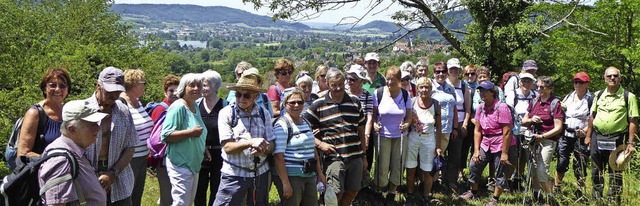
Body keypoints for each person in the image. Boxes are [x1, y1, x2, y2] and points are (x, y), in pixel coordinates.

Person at [303, 69, 367, 206]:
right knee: (335, 193)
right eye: (334, 85)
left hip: (355, 155)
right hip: (334, 157)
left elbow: (361, 130)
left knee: (353, 190)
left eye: (341, 84)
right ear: (327, 84)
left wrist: (364, 156)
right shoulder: (319, 104)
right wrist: (319, 144)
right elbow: (301, 128)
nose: (338, 88)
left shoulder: (355, 101)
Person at [214, 73, 275, 206]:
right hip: (234, 175)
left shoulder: (264, 114)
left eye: (246, 95)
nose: (241, 98)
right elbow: (227, 147)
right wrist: (250, 142)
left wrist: (264, 149)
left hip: (260, 175)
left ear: (256, 96)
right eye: (238, 94)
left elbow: (272, 144)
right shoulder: (226, 113)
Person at [38, 100, 108, 206]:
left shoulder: (75, 151)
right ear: (72, 129)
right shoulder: (60, 161)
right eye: (91, 124)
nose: (98, 128)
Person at [459, 81, 517, 206]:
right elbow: (478, 130)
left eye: (485, 91)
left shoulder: (502, 107)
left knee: (501, 169)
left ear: (493, 92)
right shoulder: (481, 107)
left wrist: (504, 153)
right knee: (475, 163)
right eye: (480, 91)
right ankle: (473, 191)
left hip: (501, 142)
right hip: (486, 141)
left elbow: (507, 132)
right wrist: (475, 150)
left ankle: (495, 198)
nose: (482, 93)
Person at [585, 67, 638, 204]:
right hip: (598, 137)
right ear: (604, 78)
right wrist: (588, 136)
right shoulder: (598, 95)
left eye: (615, 76)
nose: (612, 78)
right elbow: (593, 116)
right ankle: (597, 198)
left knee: (616, 170)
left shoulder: (628, 96)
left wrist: (631, 143)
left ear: (620, 78)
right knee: (596, 169)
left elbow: (633, 120)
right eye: (609, 76)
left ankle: (613, 200)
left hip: (617, 138)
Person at [85, 66, 136, 205]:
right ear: (98, 85)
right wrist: (91, 175)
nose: (114, 95)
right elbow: (74, 149)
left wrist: (113, 173)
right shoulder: (83, 111)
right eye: (110, 90)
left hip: (119, 181)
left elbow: (130, 146)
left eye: (118, 91)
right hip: (87, 182)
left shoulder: (124, 111)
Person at [273, 90, 327, 206]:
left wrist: (320, 173)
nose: (296, 105)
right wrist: (285, 182)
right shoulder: (282, 125)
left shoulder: (306, 122)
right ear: (285, 104)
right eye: (292, 102)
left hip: (309, 174)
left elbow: (313, 149)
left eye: (300, 102)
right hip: (292, 176)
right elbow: (278, 156)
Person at [161, 73, 209, 206]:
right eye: (191, 85)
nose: (196, 88)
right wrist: (190, 133)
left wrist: (203, 149)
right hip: (180, 163)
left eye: (198, 85)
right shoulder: (178, 107)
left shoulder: (194, 106)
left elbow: (198, 130)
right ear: (183, 88)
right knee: (181, 203)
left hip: (193, 162)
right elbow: (166, 135)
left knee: (187, 202)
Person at [522, 76, 564, 204]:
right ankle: (536, 195)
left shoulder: (555, 104)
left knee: (541, 169)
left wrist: (543, 137)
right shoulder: (534, 101)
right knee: (533, 168)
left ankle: (551, 197)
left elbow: (558, 128)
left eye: (542, 87)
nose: (538, 89)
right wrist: (531, 120)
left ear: (550, 88)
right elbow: (524, 121)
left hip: (548, 140)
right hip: (533, 138)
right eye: (538, 86)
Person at [372, 66, 412, 202]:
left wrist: (406, 124)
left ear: (399, 80)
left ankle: (392, 192)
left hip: (400, 136)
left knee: (398, 165)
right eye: (388, 79)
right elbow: (373, 115)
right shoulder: (378, 93)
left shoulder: (406, 95)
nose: (390, 82)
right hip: (383, 135)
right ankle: (380, 189)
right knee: (382, 165)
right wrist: (374, 125)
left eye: (393, 80)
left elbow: (409, 117)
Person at [554, 72, 592, 197]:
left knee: (580, 164)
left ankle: (580, 191)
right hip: (566, 134)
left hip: (581, 136)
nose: (577, 85)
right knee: (561, 161)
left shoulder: (591, 99)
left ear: (587, 83)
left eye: (580, 82)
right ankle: (557, 188)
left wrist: (586, 131)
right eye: (575, 82)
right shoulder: (569, 96)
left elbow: (594, 118)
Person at [18, 68, 70, 158]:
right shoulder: (34, 113)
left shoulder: (69, 111)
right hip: (41, 170)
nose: (58, 89)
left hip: (66, 169)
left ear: (67, 89)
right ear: (44, 88)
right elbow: (23, 153)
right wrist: (52, 161)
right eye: (52, 85)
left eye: (62, 86)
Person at [119, 69, 153, 206]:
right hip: (129, 159)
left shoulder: (137, 101)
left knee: (137, 196)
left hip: (142, 156)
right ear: (134, 85)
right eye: (143, 83)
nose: (145, 86)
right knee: (127, 197)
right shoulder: (122, 103)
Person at [405, 77, 442, 204]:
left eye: (427, 87)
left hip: (429, 138)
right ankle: (410, 194)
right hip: (413, 137)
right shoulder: (412, 101)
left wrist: (438, 145)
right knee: (410, 168)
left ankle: (426, 196)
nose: (424, 89)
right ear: (417, 88)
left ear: (431, 89)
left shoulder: (436, 104)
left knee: (427, 170)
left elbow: (439, 126)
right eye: (421, 87)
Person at [194, 70, 225, 206]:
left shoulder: (226, 106)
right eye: (201, 85)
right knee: (199, 189)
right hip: (199, 153)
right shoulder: (196, 106)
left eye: (205, 85)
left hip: (220, 154)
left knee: (217, 189)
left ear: (215, 87)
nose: (202, 89)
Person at [149, 74, 180, 206]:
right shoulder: (161, 109)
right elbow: (156, 138)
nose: (174, 93)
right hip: (164, 159)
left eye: (176, 90)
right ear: (165, 92)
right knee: (167, 196)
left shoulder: (180, 106)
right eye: (170, 91)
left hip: (177, 157)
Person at [504, 73, 538, 190]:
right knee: (513, 156)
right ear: (519, 82)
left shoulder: (535, 95)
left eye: (529, 81)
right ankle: (506, 180)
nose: (526, 84)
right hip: (515, 130)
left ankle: (517, 179)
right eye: (524, 81)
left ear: (532, 83)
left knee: (524, 157)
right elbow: (508, 112)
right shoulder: (512, 95)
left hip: (530, 131)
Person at [430, 62, 459, 191]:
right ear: (433, 73)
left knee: (439, 157)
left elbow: (455, 109)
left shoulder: (450, 88)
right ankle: (430, 183)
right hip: (434, 130)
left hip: (447, 129)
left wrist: (455, 127)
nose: (440, 74)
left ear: (447, 73)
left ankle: (435, 182)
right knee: (432, 156)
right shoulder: (430, 87)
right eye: (437, 71)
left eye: (443, 71)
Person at [445, 58, 471, 190]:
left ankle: (451, 180)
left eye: (456, 68)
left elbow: (468, 108)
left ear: (460, 70)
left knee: (455, 153)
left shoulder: (464, 86)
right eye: (451, 69)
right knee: (441, 152)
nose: (454, 71)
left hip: (460, 122)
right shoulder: (442, 84)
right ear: (447, 70)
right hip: (444, 123)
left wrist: (465, 124)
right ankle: (439, 178)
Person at [346, 65, 375, 174]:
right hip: (348, 132)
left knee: (366, 157)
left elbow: (369, 116)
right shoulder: (343, 94)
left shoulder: (368, 94)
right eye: (348, 79)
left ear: (361, 81)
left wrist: (366, 135)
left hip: (363, 130)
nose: (350, 82)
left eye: (353, 79)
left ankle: (364, 184)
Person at [460, 64, 478, 181]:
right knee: (463, 148)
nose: (470, 76)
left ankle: (474, 173)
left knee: (475, 149)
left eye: (472, 73)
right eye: (467, 74)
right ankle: (460, 171)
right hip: (465, 121)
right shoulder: (461, 86)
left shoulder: (479, 87)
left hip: (478, 122)